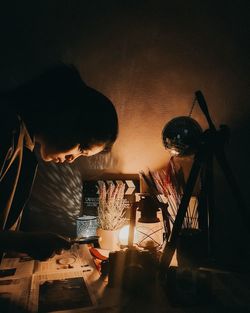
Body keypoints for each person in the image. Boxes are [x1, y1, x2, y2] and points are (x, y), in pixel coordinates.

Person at [0, 64, 118, 261]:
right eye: (81, 148)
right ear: (69, 117)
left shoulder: (23, 140)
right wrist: (23, 242)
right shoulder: (7, 128)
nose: (72, 159)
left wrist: (20, 243)